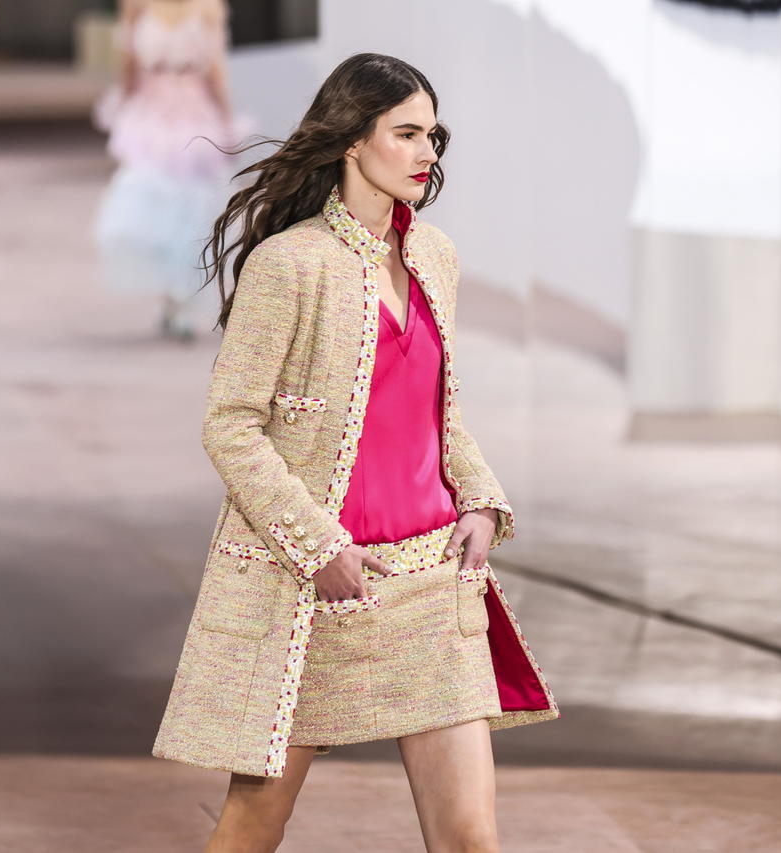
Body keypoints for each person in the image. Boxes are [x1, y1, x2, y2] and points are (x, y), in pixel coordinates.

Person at [151, 53, 559, 851]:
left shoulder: (435, 255)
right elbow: (230, 423)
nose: (426, 151)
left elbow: (436, 410)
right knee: (253, 827)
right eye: (405, 133)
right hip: (323, 595)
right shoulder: (289, 264)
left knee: (470, 838)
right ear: (350, 139)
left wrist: (480, 500)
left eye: (432, 135)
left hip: (432, 586)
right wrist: (320, 549)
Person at [91, 0, 250, 341]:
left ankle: (180, 302)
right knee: (150, 204)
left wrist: (225, 121)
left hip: (194, 115)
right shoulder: (136, 5)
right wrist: (126, 107)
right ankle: (173, 298)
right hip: (152, 114)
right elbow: (129, 64)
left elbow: (216, 70)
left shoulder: (208, 7)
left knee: (191, 210)